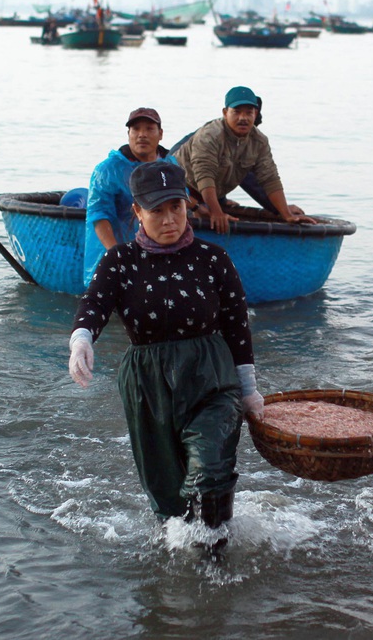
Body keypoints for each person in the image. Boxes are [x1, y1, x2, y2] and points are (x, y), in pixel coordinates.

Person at [68, 161, 264, 541]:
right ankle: (177, 565)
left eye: (176, 206)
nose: (169, 218)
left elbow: (237, 326)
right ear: (137, 212)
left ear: (187, 205)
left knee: (211, 473)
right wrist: (81, 339)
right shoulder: (120, 261)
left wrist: (248, 388)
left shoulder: (214, 259)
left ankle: (216, 558)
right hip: (147, 383)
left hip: (211, 378)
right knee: (168, 494)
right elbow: (94, 303)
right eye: (156, 210)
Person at [173, 85, 311, 234]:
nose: (243, 118)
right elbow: (205, 177)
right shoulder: (210, 135)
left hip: (208, 194)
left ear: (255, 113)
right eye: (237, 112)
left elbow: (270, 179)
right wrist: (216, 212)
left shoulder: (259, 141)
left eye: (249, 113)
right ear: (225, 113)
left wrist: (286, 214)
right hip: (178, 189)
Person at [82, 107, 180, 287]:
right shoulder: (107, 170)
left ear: (161, 134)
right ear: (128, 134)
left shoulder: (170, 165)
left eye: (149, 129)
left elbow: (181, 205)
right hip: (116, 251)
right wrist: (117, 257)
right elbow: (99, 216)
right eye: (136, 129)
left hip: (158, 252)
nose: (142, 134)